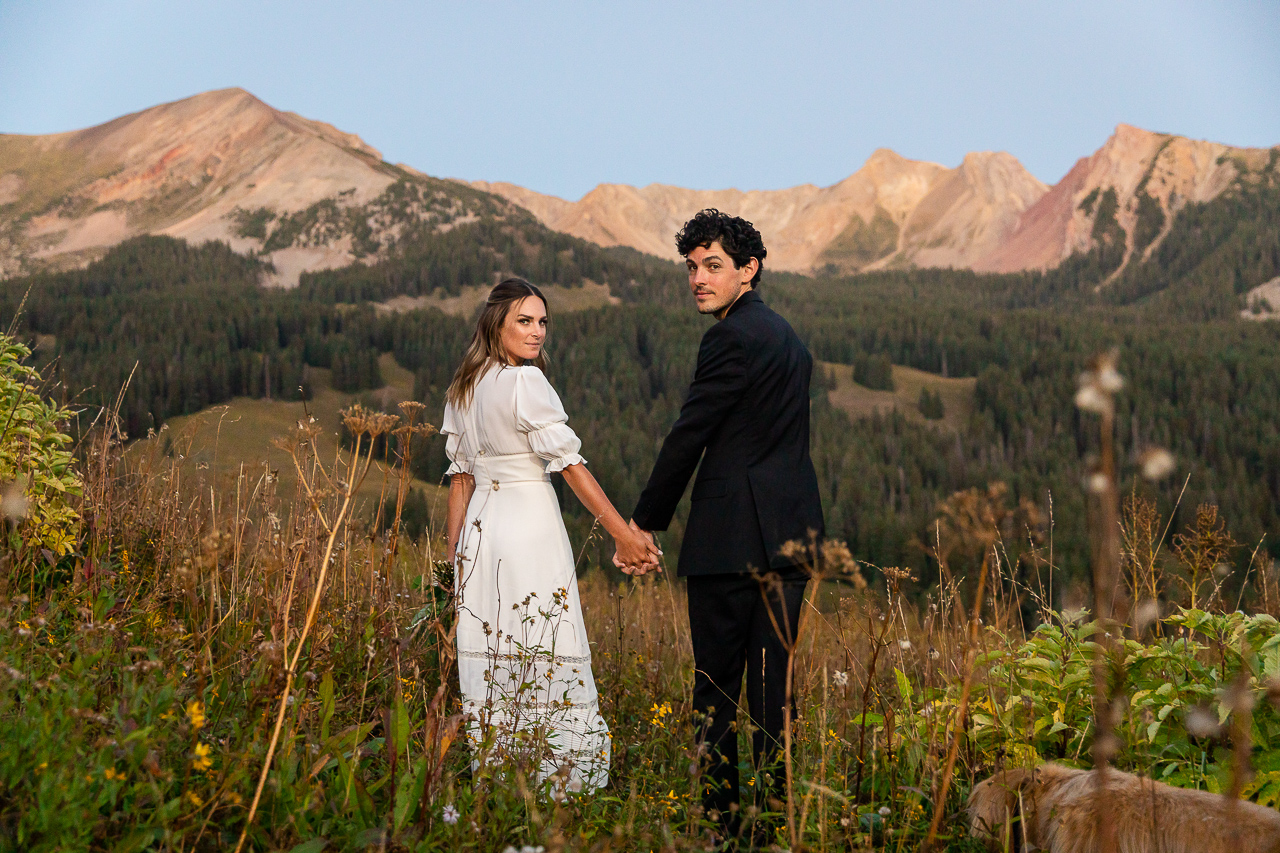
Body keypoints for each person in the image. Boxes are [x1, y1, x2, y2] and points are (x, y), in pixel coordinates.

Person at [622, 209, 825, 836]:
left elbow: (691, 433)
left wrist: (643, 521)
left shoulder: (728, 338)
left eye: (713, 266)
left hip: (730, 545)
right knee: (773, 703)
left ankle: (721, 833)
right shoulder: (789, 338)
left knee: (716, 700)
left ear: (748, 270)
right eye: (691, 267)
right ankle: (772, 831)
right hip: (790, 543)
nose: (698, 280)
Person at [443, 278, 659, 794]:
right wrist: (623, 536)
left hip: (481, 532)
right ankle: (559, 784)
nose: (537, 332)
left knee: (497, 648)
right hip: (529, 529)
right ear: (496, 323)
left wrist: (453, 562)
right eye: (525, 320)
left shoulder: (464, 388)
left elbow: (461, 480)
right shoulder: (526, 383)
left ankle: (499, 775)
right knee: (546, 639)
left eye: (542, 322)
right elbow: (569, 465)